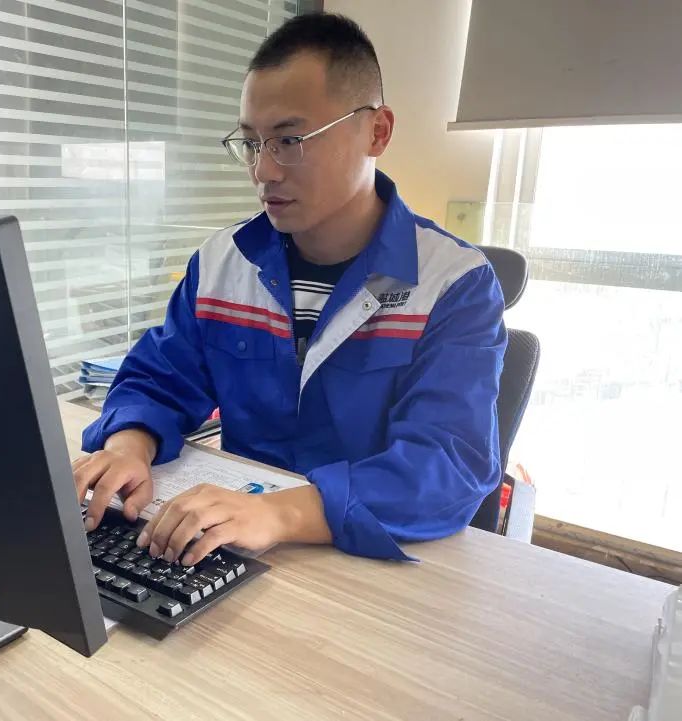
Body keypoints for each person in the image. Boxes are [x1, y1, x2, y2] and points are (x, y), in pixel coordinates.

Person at [73, 12, 506, 566]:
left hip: (365, 559)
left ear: (377, 132)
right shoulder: (223, 263)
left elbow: (448, 466)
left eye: (290, 140)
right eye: (252, 143)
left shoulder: (452, 283)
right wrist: (129, 445)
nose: (264, 171)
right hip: (230, 549)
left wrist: (278, 514)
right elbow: (158, 378)